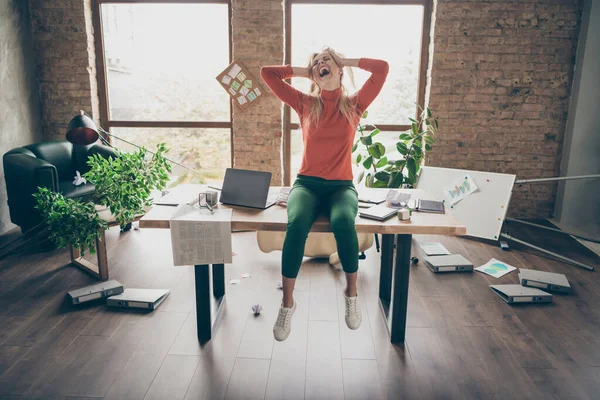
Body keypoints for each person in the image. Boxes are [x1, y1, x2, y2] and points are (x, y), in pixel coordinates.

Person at [260, 48, 389, 341]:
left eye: (326, 60)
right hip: (306, 184)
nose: (320, 64)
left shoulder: (355, 105)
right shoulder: (304, 103)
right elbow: (267, 73)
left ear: (339, 67)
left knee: (344, 222)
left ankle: (351, 294)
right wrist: (308, 73)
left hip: (341, 187)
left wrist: (344, 62)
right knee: (296, 225)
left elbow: (381, 68)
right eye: (316, 62)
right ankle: (287, 303)